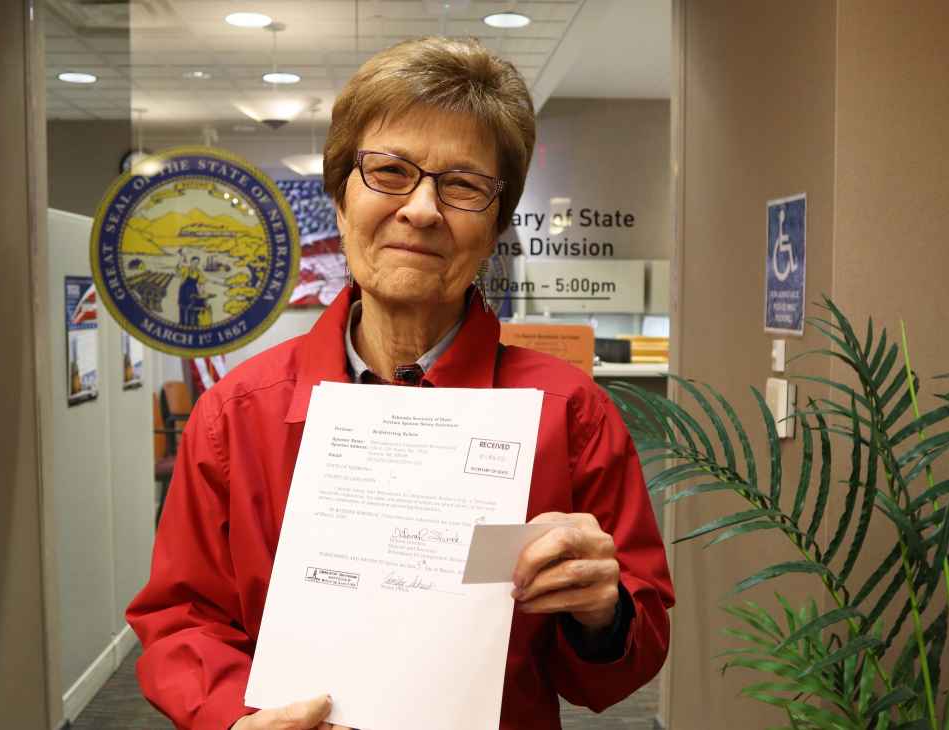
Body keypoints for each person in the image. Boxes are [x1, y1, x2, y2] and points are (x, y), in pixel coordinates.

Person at [127, 37, 675, 730]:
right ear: (341, 193)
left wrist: (603, 611)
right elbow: (180, 620)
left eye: (463, 184)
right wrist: (233, 716)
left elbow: (622, 666)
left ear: (495, 226)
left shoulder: (568, 415)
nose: (421, 209)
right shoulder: (238, 412)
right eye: (389, 171)